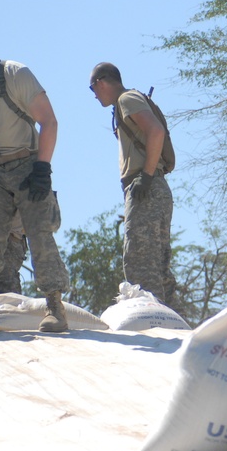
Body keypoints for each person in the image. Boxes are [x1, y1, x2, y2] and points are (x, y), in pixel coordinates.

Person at [0, 35, 70, 334]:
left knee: (38, 232)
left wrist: (43, 168)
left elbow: (49, 121)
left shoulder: (14, 74)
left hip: (27, 163)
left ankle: (55, 307)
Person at [90, 62, 177, 307]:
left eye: (92, 88)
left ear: (101, 82)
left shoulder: (126, 99)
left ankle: (151, 326)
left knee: (140, 262)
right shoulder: (127, 101)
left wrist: (146, 176)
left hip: (146, 187)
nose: (94, 95)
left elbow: (156, 131)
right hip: (155, 187)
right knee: (158, 266)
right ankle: (174, 326)